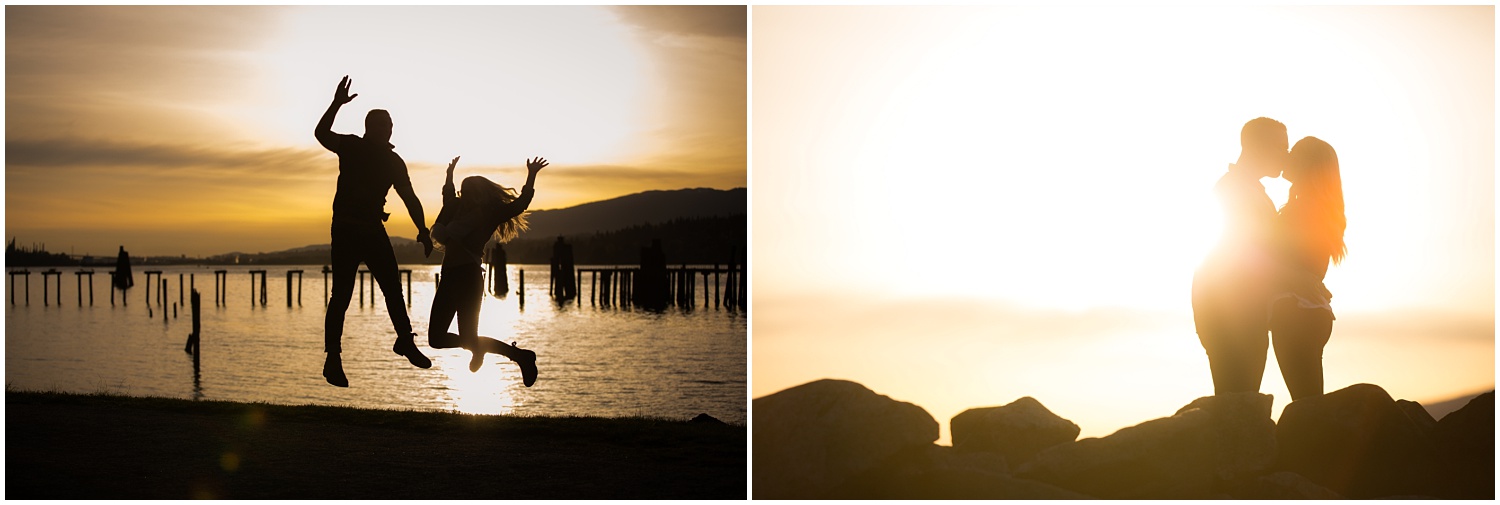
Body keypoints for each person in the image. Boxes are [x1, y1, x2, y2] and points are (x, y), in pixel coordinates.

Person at [314, 75, 435, 387]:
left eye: (390, 126)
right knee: (340, 296)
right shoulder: (352, 146)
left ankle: (405, 340)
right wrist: (336, 104)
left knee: (393, 287)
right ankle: (333, 358)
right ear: (370, 128)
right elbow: (321, 133)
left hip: (372, 230)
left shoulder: (394, 162)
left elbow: (410, 198)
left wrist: (423, 230)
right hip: (345, 230)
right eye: (382, 126)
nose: (387, 130)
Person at [427, 156, 545, 386]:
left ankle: (519, 356)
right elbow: (448, 198)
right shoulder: (456, 208)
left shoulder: (488, 213)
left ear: (481, 194)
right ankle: (500, 352)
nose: (466, 196)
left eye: (472, 192)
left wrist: (531, 176)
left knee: (470, 338)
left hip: (469, 278)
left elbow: (519, 205)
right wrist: (449, 176)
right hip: (449, 276)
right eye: (464, 191)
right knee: (436, 339)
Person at [1192, 117, 1289, 395]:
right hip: (1229, 312)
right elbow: (1247, 254)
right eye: (1281, 147)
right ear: (1259, 146)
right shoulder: (1233, 189)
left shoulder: (1248, 188)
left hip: (1240, 310)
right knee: (1236, 403)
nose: (1286, 154)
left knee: (1241, 401)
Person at [1269, 137, 1345, 401]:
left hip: (1295, 311)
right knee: (1310, 400)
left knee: (1306, 405)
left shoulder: (1304, 209)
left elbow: (1276, 261)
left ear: (1307, 164)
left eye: (1295, 152)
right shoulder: (1320, 207)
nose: (1287, 155)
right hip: (1312, 311)